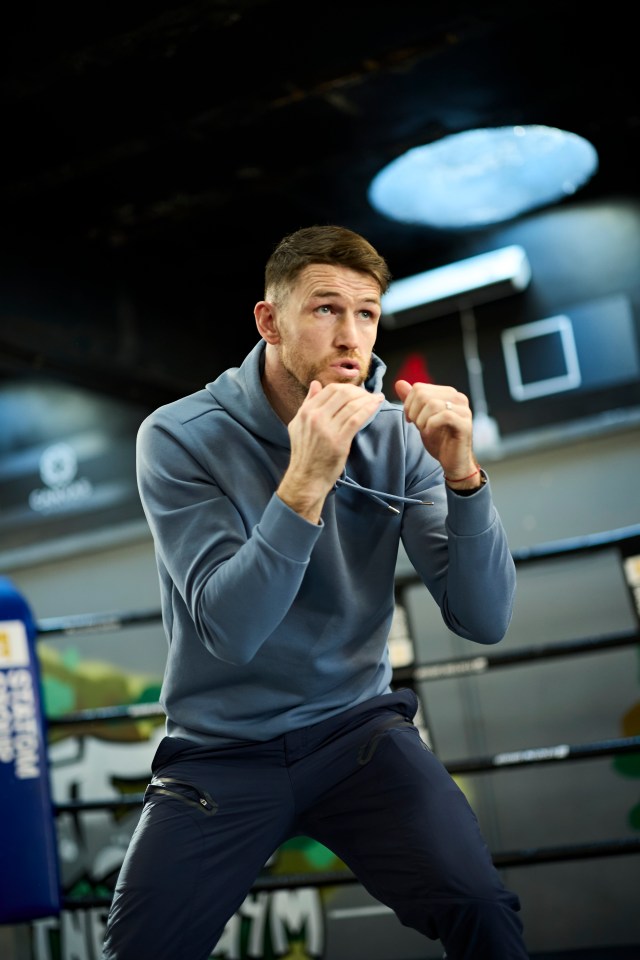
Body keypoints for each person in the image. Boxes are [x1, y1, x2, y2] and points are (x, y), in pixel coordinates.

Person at [101, 225, 529, 960]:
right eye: (326, 309)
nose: (350, 336)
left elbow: (484, 619)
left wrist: (463, 478)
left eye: (367, 313)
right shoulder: (179, 436)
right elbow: (232, 631)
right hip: (222, 750)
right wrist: (305, 480)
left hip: (355, 734)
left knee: (481, 908)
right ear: (269, 322)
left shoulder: (398, 436)